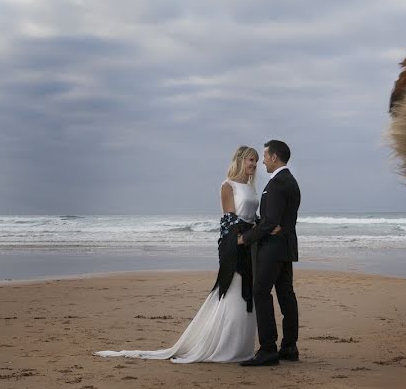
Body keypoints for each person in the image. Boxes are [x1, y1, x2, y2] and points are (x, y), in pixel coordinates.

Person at [95, 146, 260, 363]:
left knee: (247, 294)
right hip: (235, 245)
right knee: (233, 291)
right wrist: (240, 239)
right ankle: (225, 346)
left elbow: (251, 216)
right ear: (240, 160)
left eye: (256, 161)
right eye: (251, 160)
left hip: (249, 244)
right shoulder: (227, 186)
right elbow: (229, 221)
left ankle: (241, 347)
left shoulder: (250, 186)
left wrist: (259, 231)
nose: (254, 164)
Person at [239, 139, 300, 366]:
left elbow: (269, 223)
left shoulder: (276, 184)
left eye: (264, 156)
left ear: (274, 157)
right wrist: (269, 224)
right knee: (286, 295)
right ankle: (289, 347)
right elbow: (278, 220)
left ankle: (268, 349)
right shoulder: (291, 181)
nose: (262, 161)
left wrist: (245, 237)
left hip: (273, 249)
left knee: (261, 292)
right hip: (287, 248)